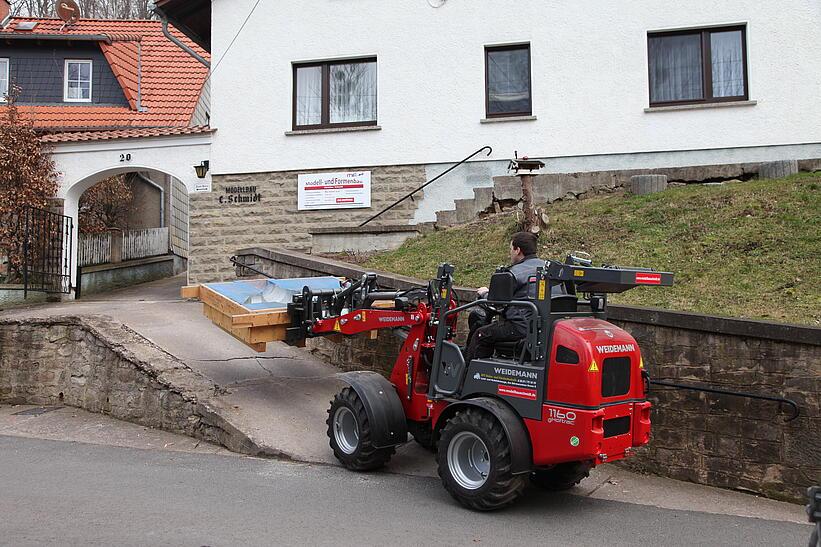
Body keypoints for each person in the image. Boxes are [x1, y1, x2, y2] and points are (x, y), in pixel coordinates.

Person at [464, 232, 546, 362]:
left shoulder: (514, 273)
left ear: (518, 250)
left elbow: (496, 302)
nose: (510, 253)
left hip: (521, 326)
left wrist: (485, 293)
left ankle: (468, 371)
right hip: (544, 326)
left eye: (511, 249)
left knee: (481, 335)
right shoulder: (549, 269)